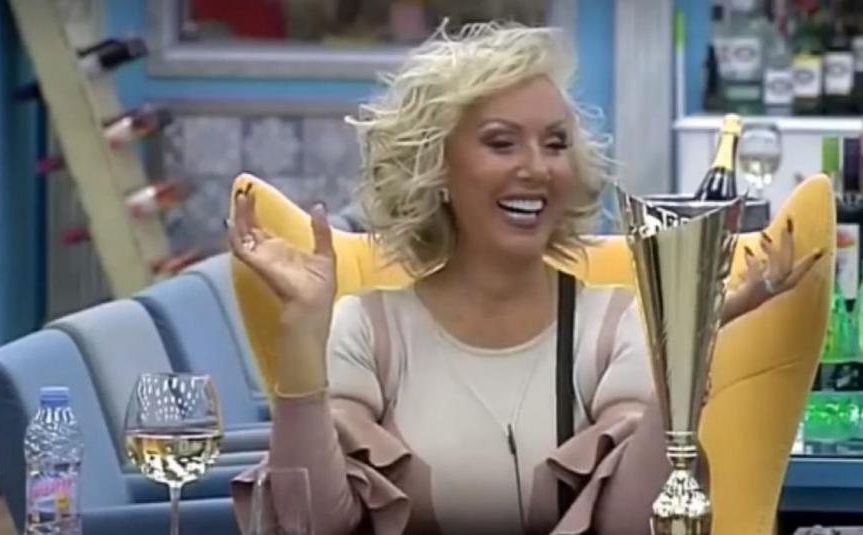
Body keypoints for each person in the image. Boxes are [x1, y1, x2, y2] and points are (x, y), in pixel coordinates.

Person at [227, 21, 822, 535]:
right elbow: (307, 523)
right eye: (501, 143)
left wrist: (685, 351)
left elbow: (635, 525)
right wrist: (302, 331)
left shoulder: (612, 327)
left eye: (555, 144)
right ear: (436, 167)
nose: (537, 168)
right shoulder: (369, 330)